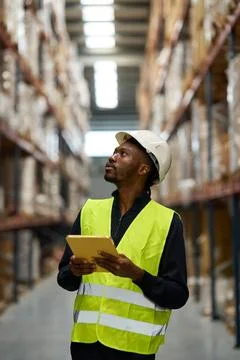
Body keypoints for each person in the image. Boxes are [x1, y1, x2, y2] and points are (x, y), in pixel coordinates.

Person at [57, 130, 189, 360]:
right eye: (115, 152)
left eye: (123, 154)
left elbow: (177, 295)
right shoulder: (90, 211)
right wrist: (74, 271)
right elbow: (64, 278)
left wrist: (137, 274)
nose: (112, 157)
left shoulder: (168, 222)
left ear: (143, 169)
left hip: (133, 349)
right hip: (85, 345)